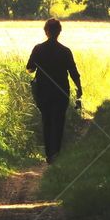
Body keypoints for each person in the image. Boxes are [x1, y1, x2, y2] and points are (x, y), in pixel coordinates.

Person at [26, 18, 82, 163]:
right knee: (58, 121)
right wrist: (79, 88)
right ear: (59, 32)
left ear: (46, 31)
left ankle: (49, 154)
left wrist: (38, 65)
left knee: (47, 121)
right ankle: (56, 152)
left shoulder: (38, 49)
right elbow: (73, 72)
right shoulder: (65, 51)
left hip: (43, 91)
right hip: (61, 92)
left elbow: (30, 69)